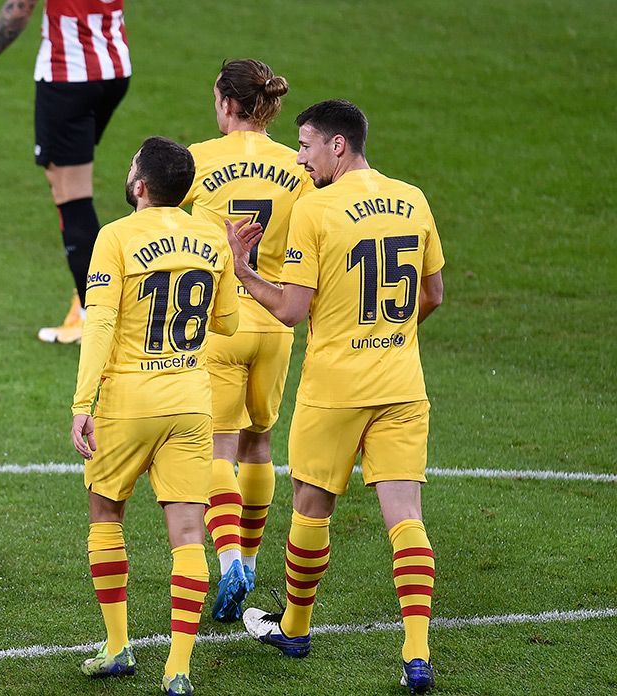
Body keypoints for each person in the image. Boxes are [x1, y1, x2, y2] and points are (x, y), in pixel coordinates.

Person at [228, 100, 444, 695]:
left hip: (335, 388)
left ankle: (295, 628)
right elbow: (433, 293)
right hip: (403, 384)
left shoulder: (315, 208)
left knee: (310, 506)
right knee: (406, 517)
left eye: (306, 146)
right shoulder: (414, 199)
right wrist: (390, 337)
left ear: (338, 147)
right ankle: (417, 654)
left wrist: (245, 270)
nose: (300, 158)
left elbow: (292, 311)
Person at [70, 136, 241, 696]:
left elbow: (97, 326)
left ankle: (119, 646)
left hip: (128, 400)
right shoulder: (211, 237)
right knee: (189, 533)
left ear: (140, 186)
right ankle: (179, 668)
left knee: (105, 513)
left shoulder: (115, 237)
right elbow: (228, 324)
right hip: (192, 401)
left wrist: (81, 404)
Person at [180, 59, 314, 622]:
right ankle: (254, 562)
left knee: (218, 449)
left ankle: (230, 557)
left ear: (227, 104)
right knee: (260, 444)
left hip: (220, 321)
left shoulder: (195, 160)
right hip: (276, 321)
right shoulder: (301, 168)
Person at [0, 0, 132, 344]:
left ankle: (95, 315)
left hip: (68, 77)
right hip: (115, 69)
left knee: (71, 195)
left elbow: (19, 9)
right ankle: (89, 298)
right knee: (67, 179)